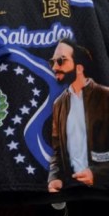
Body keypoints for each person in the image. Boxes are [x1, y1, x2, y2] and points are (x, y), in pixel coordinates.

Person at [47, 38, 109, 192]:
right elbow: (57, 152)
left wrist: (96, 173)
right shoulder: (58, 104)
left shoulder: (105, 97)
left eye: (61, 61)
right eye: (52, 62)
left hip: (102, 191)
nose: (54, 67)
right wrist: (55, 177)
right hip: (71, 191)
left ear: (79, 68)